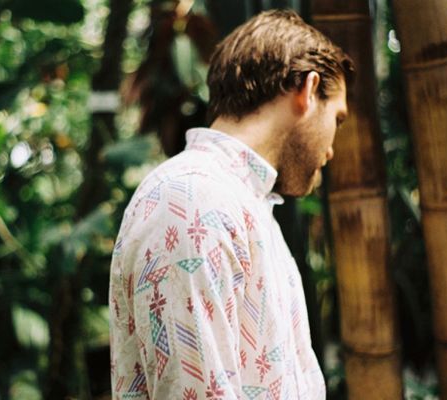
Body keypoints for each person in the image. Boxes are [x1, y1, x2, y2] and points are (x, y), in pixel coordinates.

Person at [109, 9, 354, 400]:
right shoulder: (192, 201)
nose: (331, 149)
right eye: (337, 119)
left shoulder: (241, 204)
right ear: (308, 91)